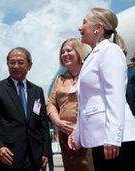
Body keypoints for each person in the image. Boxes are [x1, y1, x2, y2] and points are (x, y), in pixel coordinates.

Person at [68, 8, 135, 171]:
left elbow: (115, 95)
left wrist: (113, 137)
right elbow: (87, 101)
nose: (80, 28)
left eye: (84, 22)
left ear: (98, 28)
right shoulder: (93, 56)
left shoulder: (110, 51)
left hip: (116, 141)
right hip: (101, 139)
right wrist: (77, 132)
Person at [0, 47, 50, 171]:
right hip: (7, 156)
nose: (16, 66)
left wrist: (45, 151)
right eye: (12, 62)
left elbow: (43, 124)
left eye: (20, 62)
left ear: (30, 65)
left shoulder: (37, 91)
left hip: (34, 157)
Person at [47, 38, 94, 171]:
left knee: (89, 166)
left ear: (79, 51)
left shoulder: (90, 72)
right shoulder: (60, 78)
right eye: (62, 52)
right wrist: (57, 122)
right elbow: (51, 103)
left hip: (87, 132)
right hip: (64, 133)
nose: (65, 54)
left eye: (69, 50)